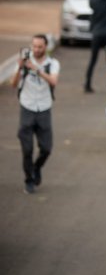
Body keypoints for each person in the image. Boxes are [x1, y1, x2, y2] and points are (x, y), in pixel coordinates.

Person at [11, 34, 59, 194]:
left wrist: (36, 69)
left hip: (44, 107)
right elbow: (13, 84)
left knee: (46, 148)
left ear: (46, 47)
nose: (36, 49)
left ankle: (36, 167)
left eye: (40, 46)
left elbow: (53, 81)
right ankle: (28, 179)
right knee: (27, 149)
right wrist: (20, 68)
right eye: (34, 46)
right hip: (27, 106)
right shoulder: (25, 61)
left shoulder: (52, 63)